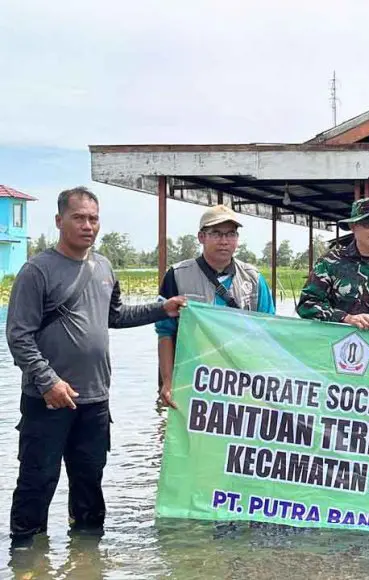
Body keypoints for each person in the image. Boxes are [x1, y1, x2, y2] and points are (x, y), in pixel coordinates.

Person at [5, 187, 186, 547]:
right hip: (47, 400)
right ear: (59, 221)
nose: (87, 225)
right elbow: (18, 336)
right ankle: (24, 555)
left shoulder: (103, 267)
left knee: (90, 483)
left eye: (93, 218)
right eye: (79, 218)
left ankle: (88, 558)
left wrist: (161, 309)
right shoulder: (37, 271)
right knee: (37, 481)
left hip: (95, 400)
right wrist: (48, 381)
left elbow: (115, 316)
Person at [156, 204, 275, 408]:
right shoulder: (177, 276)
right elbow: (164, 332)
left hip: (241, 383)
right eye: (216, 234)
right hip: (193, 382)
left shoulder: (254, 279)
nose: (224, 241)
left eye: (231, 234)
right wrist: (167, 381)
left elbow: (269, 332)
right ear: (201, 237)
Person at [297, 197, 369, 329]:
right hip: (343, 340)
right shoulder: (330, 262)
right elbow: (306, 305)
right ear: (353, 227)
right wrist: (346, 318)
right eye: (368, 223)